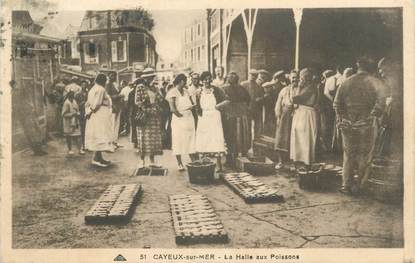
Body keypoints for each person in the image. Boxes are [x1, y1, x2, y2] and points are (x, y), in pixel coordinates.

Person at [334, 56, 387, 194]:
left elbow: (337, 104)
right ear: (371, 68)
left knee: (348, 155)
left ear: (358, 66)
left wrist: (344, 119)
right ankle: (360, 186)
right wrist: (371, 117)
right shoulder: (376, 82)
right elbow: (381, 104)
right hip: (366, 124)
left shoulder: (346, 82)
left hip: (347, 124)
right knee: (365, 155)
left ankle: (346, 185)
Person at [195, 71, 229, 171]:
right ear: (201, 80)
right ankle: (203, 164)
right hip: (204, 117)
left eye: (209, 78)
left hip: (215, 116)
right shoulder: (199, 92)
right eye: (205, 79)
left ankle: (218, 164)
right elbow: (197, 106)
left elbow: (227, 100)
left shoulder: (217, 90)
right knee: (203, 139)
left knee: (216, 139)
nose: (207, 81)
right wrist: (199, 115)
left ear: (211, 79)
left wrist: (218, 106)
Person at [129, 78, 164, 168]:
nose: (151, 79)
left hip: (154, 115)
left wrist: (157, 90)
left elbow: (160, 99)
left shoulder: (154, 88)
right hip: (144, 115)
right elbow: (137, 102)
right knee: (143, 138)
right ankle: (142, 160)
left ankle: (152, 161)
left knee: (153, 138)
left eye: (152, 77)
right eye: (150, 77)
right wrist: (146, 110)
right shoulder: (140, 87)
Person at [166, 74, 197, 171]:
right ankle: (179, 163)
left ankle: (193, 160)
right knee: (178, 140)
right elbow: (172, 109)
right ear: (181, 81)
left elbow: (191, 103)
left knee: (191, 139)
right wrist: (181, 116)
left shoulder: (186, 91)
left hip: (189, 118)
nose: (186, 83)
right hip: (178, 119)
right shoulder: (172, 92)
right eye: (185, 81)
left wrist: (192, 107)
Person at [290, 68, 319, 167]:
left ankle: (306, 161)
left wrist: (298, 87)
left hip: (306, 113)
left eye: (302, 77)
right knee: (299, 136)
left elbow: (296, 99)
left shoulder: (310, 87)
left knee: (305, 138)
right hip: (301, 113)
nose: (300, 80)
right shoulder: (307, 87)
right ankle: (299, 159)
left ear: (306, 78)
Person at [222, 71, 251, 166]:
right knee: (237, 136)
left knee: (233, 136)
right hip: (235, 115)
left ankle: (233, 158)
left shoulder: (224, 89)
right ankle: (238, 156)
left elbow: (247, 100)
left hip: (233, 115)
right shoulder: (239, 88)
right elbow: (248, 100)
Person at [85, 73, 114, 168]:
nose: (106, 82)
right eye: (105, 80)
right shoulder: (101, 89)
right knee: (100, 134)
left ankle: (99, 157)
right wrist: (91, 112)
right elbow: (97, 103)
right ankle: (95, 159)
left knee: (98, 134)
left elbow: (89, 103)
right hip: (100, 114)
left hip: (95, 114)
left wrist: (89, 112)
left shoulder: (93, 88)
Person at [274, 70, 299, 169]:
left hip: (296, 115)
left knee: (294, 138)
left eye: (296, 78)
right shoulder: (284, 90)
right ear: (289, 78)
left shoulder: (300, 90)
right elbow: (278, 104)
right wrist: (278, 116)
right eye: (293, 78)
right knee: (281, 138)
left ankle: (293, 162)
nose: (294, 80)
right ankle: (280, 161)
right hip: (285, 116)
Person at [62, 91, 83, 155]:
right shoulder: (66, 103)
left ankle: (80, 149)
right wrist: (72, 114)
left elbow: (77, 109)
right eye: (71, 96)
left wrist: (77, 113)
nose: (72, 97)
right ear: (68, 96)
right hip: (68, 122)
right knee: (68, 136)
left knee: (78, 136)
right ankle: (70, 149)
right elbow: (63, 114)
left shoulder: (74, 101)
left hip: (75, 121)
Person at [106, 72, 123, 149]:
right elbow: (108, 96)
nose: (113, 77)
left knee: (116, 125)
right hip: (112, 107)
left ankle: (114, 141)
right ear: (109, 77)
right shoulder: (108, 85)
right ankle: (110, 142)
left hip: (118, 106)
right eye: (111, 76)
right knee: (112, 125)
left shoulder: (115, 84)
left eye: (114, 76)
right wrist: (118, 96)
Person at [74, 79, 90, 152]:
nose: (84, 86)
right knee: (82, 130)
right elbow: (75, 105)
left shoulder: (88, 93)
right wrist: (82, 104)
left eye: (85, 85)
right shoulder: (77, 94)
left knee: (88, 130)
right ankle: (82, 146)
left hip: (88, 112)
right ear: (81, 85)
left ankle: (87, 145)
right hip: (81, 113)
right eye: (83, 85)